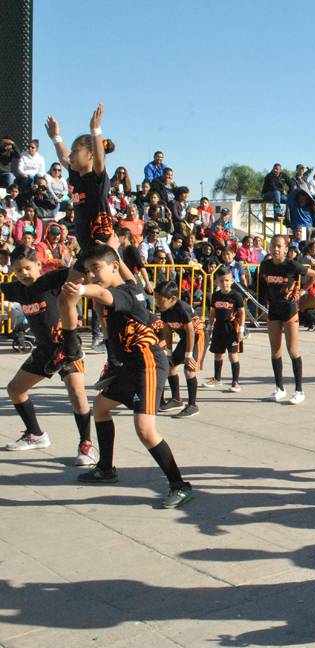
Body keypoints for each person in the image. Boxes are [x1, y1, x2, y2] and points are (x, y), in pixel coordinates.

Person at [63, 244, 192, 508]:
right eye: (87, 271)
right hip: (130, 365)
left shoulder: (124, 293)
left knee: (145, 430)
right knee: (100, 408)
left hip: (149, 364)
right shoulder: (131, 283)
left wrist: (81, 289)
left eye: (95, 268)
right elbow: (115, 266)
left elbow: (101, 292)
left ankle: (179, 485)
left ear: (112, 267)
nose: (91, 275)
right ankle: (106, 469)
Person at [44, 103, 128, 373]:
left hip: (103, 250)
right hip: (87, 252)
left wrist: (95, 130)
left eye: (77, 151)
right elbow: (64, 156)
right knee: (66, 299)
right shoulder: (75, 176)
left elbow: (100, 157)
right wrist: (56, 137)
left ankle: (116, 359)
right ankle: (70, 348)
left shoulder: (96, 177)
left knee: (108, 307)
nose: (70, 157)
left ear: (90, 154)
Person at [1, 246, 95, 464]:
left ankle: (86, 445)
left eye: (27, 268)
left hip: (66, 347)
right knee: (15, 390)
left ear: (39, 265)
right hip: (44, 351)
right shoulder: (16, 290)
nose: (23, 274)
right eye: (18, 270)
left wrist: (88, 250)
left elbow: (78, 269)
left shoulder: (51, 281)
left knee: (77, 394)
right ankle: (35, 435)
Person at [258, 235, 315, 404]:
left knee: (293, 350)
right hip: (274, 311)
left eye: (279, 246)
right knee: (275, 350)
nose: (276, 249)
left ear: (286, 249)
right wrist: (263, 302)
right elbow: (262, 286)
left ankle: (299, 390)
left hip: (290, 310)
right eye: (273, 246)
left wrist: (302, 292)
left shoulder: (292, 264)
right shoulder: (265, 265)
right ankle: (279, 388)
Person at [155, 281, 206, 419]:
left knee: (189, 370)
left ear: (172, 299)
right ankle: (176, 400)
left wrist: (189, 355)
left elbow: (190, 331)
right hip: (185, 338)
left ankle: (193, 406)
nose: (157, 302)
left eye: (160, 299)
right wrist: (169, 352)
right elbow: (166, 330)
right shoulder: (164, 309)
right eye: (156, 298)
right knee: (170, 365)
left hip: (198, 336)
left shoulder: (182, 308)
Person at [205, 268, 245, 392]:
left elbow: (242, 313)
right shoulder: (215, 295)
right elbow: (212, 312)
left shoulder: (236, 296)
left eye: (227, 280)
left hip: (232, 329)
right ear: (217, 281)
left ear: (232, 281)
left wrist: (241, 330)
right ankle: (217, 379)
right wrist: (210, 327)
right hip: (218, 328)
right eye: (221, 281)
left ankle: (235, 382)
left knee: (233, 355)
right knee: (218, 354)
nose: (224, 283)